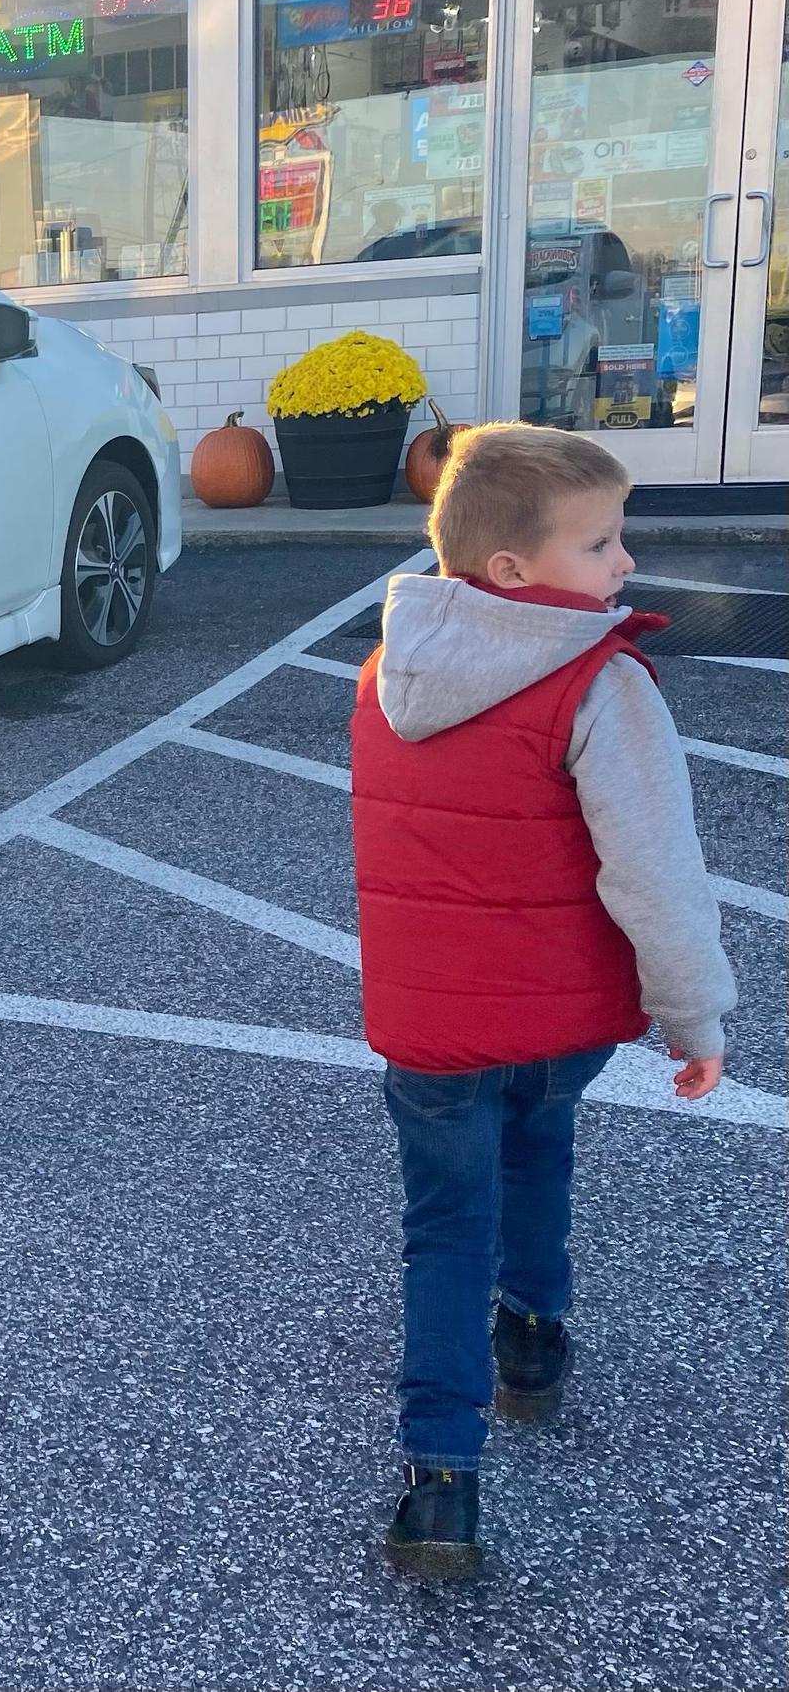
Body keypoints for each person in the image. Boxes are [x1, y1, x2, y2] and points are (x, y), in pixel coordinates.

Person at [349, 423, 735, 1582]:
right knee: (539, 1151)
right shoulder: (597, 682)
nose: (624, 565)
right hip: (552, 1013)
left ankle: (437, 1487)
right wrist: (691, 1013)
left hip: (427, 1024)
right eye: (601, 542)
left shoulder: (391, 668)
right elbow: (652, 868)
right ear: (512, 569)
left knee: (440, 1226)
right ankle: (528, 1341)